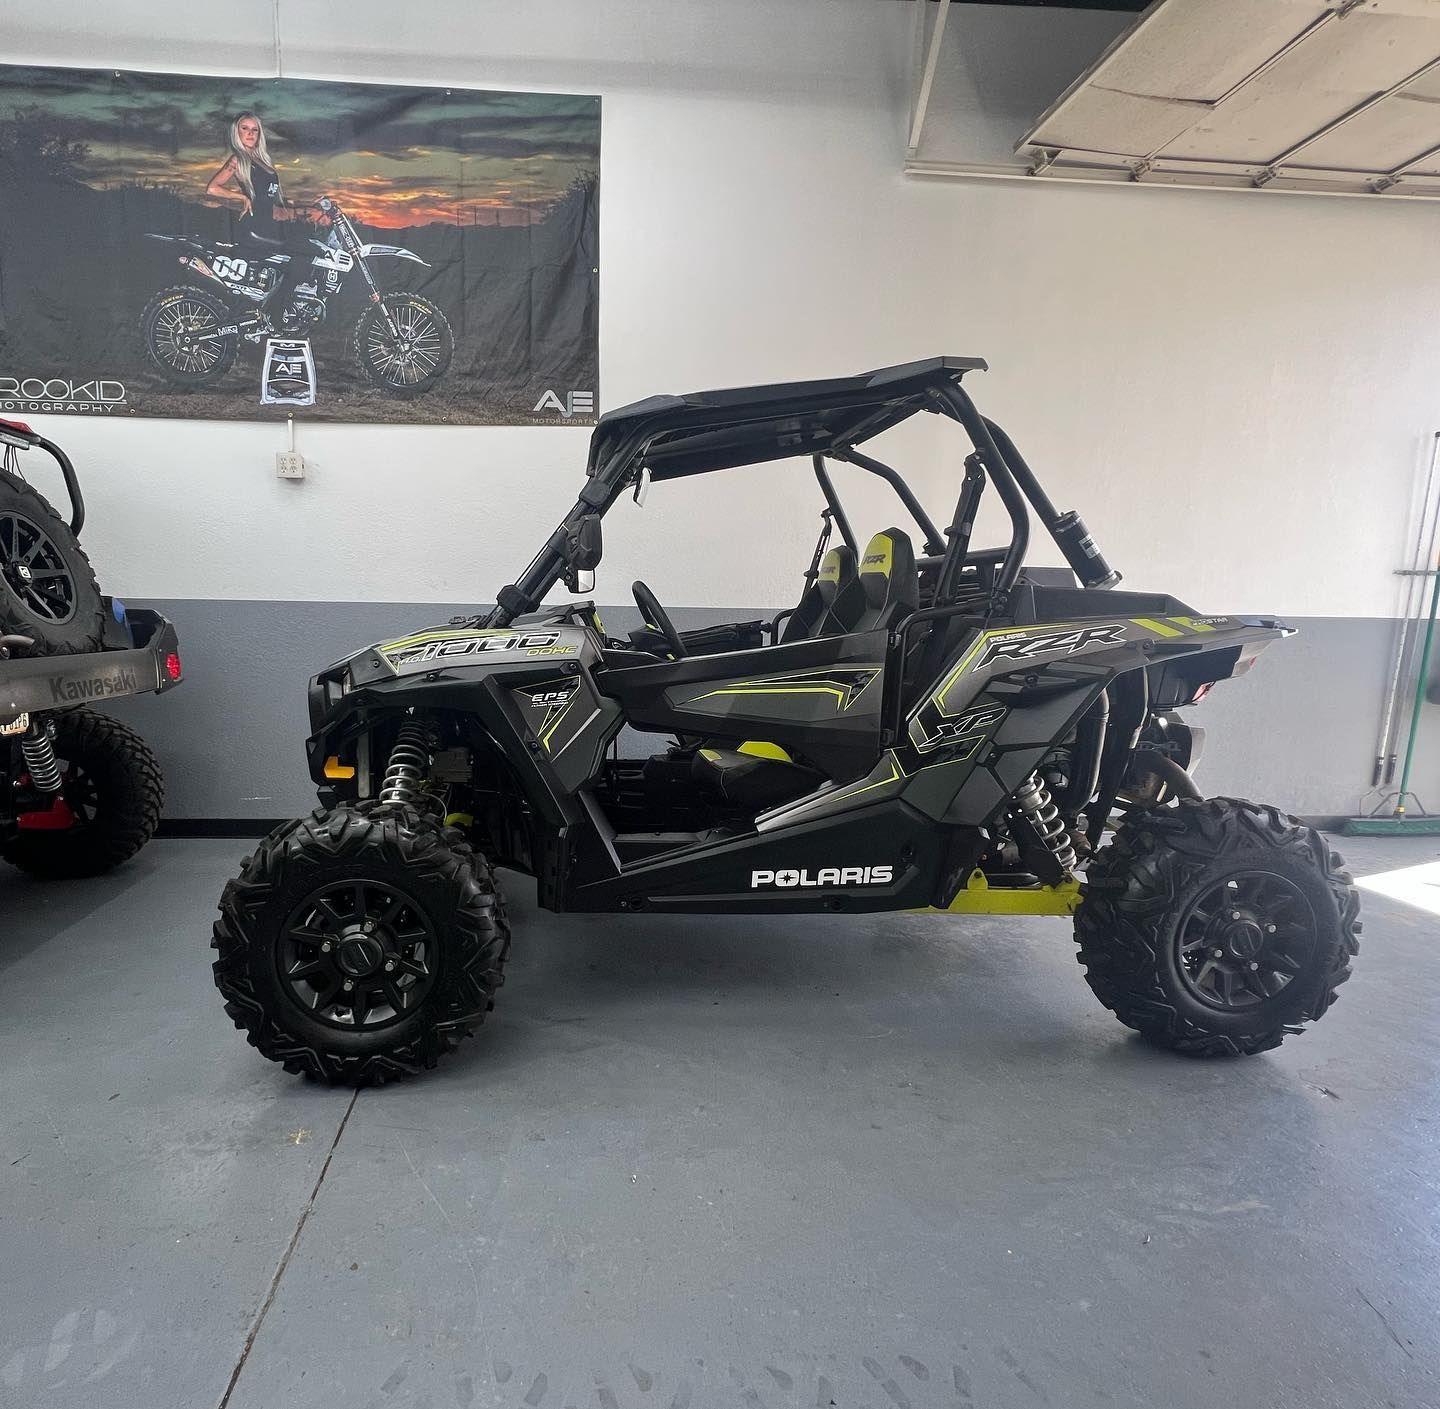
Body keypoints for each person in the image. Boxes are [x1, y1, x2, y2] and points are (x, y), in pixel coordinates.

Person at [205, 112, 327, 329]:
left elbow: (277, 206)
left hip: (272, 225)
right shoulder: (238, 159)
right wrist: (241, 197)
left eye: (254, 129)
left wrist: (309, 209)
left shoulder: (264, 161)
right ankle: (275, 314)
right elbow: (212, 188)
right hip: (256, 227)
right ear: (237, 132)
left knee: (312, 249)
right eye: (245, 128)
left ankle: (279, 305)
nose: (250, 133)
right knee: (303, 256)